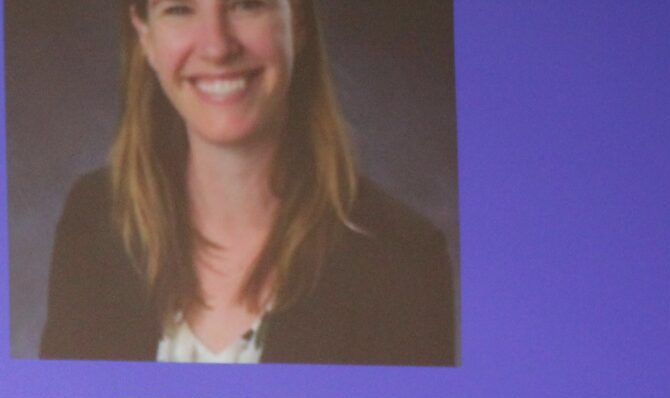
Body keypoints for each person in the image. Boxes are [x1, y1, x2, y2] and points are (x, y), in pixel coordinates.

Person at [40, 0, 454, 365]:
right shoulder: (92, 219)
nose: (217, 46)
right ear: (144, 34)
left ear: (299, 21)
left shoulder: (403, 260)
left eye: (247, 4)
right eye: (180, 9)